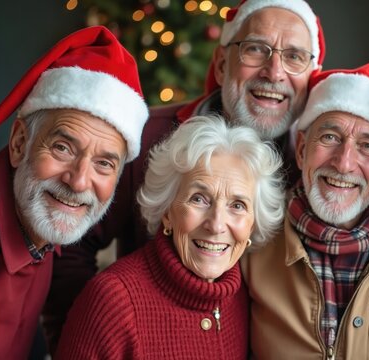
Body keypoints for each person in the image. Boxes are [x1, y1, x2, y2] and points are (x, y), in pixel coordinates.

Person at [44, 0, 326, 352]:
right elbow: (70, 243)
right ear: (222, 64)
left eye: (295, 56)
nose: (275, 71)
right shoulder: (146, 138)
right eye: (256, 49)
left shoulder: (314, 166)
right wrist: (87, 334)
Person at [241, 63, 369, 359]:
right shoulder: (253, 237)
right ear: (301, 150)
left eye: (367, 146)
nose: (343, 163)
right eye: (330, 138)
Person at [0, 26, 149, 359]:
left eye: (104, 164)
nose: (79, 181)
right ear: (20, 143)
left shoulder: (40, 229)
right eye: (63, 148)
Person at [54, 115, 285, 359]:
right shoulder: (112, 301)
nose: (217, 224)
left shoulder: (244, 295)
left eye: (237, 205)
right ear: (166, 211)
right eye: (199, 199)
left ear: (252, 224)